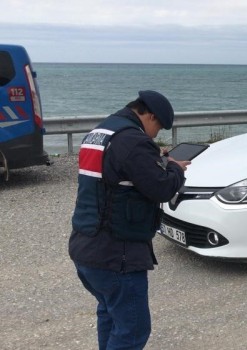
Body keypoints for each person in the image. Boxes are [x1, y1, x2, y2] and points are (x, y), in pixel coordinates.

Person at [69, 90, 191, 349]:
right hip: (116, 255)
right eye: (157, 128)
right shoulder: (134, 141)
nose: (155, 135)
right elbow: (162, 188)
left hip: (86, 247)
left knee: (110, 313)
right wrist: (175, 168)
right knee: (133, 330)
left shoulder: (100, 132)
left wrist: (156, 160)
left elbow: (116, 176)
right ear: (150, 115)